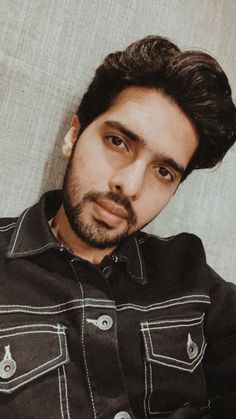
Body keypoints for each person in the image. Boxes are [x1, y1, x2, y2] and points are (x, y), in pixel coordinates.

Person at [0, 35, 235, 419]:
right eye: (118, 141)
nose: (130, 185)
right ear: (73, 135)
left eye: (163, 171)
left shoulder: (188, 273)